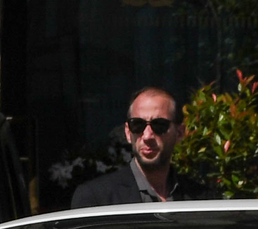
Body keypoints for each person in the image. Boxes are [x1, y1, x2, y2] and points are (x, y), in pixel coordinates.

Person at [72, 88, 211, 206]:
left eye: (159, 125)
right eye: (137, 125)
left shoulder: (202, 199)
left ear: (179, 133)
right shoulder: (95, 198)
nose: (147, 136)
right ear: (128, 132)